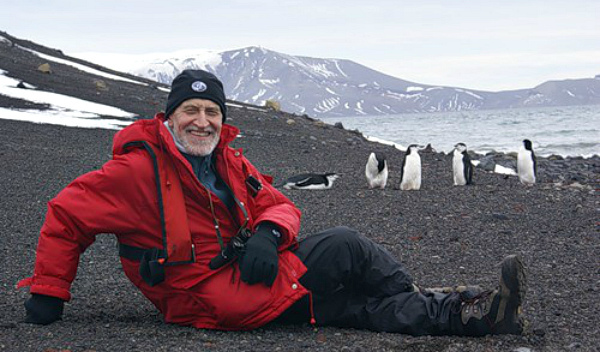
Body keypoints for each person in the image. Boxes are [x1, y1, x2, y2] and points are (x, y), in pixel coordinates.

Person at [19, 69, 527, 336]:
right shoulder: (135, 172)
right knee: (353, 298)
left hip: (256, 272)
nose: (202, 121)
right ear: (169, 118)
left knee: (350, 259)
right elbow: (66, 216)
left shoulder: (228, 162)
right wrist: (49, 292)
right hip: (218, 301)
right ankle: (466, 313)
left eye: (211, 111)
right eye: (190, 111)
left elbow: (280, 204)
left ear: (222, 118)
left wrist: (268, 233)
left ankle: (456, 306)